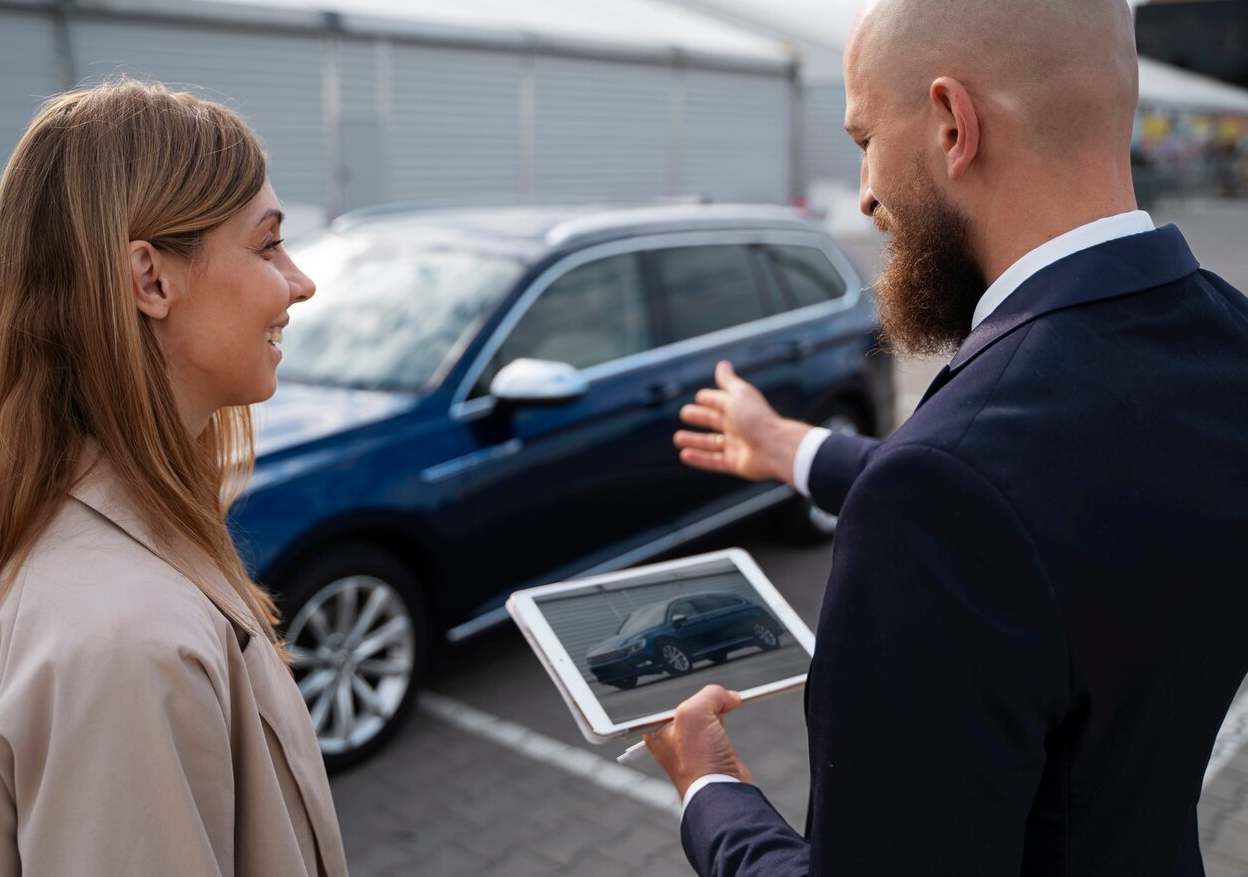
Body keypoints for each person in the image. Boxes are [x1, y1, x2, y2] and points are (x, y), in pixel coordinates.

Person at [644, 0, 1248, 873]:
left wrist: (711, 789)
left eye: (862, 140)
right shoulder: (1228, 339)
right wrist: (788, 447)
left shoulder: (947, 486)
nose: (865, 194)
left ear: (952, 125)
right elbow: (1053, 515)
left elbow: (979, 499)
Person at [0, 81, 348, 876]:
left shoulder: (123, 535)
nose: (300, 282)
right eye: (267, 245)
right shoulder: (123, 641)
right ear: (150, 280)